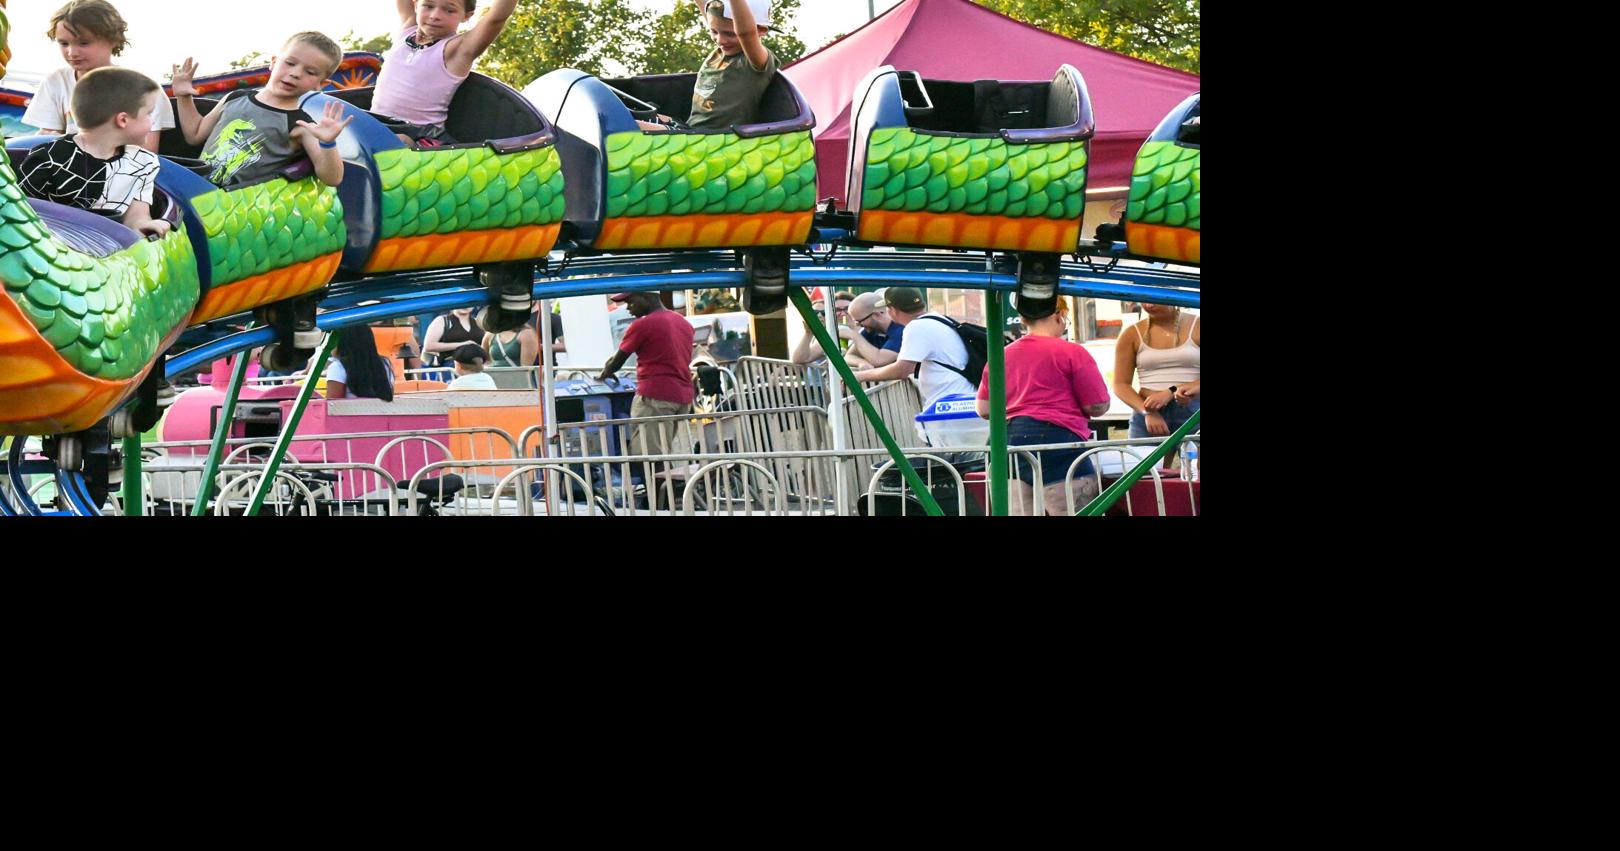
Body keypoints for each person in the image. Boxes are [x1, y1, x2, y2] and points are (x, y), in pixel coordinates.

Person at [975, 296, 1110, 516]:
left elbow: (984, 409)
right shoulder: (1072, 352)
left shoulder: (1001, 354)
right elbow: (1097, 405)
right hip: (1056, 440)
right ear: (1059, 315)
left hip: (1005, 441)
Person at [171, 32, 352, 188]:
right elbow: (194, 135)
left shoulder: (301, 125)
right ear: (273, 62)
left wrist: (328, 143)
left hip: (236, 209)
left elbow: (332, 178)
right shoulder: (235, 97)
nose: (296, 73)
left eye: (310, 72)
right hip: (196, 191)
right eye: (290, 63)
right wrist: (183, 96)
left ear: (321, 84)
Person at [18, 67, 169, 238]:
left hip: (110, 249)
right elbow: (20, 214)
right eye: (149, 113)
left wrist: (144, 224)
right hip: (52, 247)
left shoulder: (144, 162)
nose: (153, 121)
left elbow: (137, 217)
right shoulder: (48, 158)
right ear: (123, 120)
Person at [24, 1, 176, 153]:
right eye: (64, 43)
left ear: (114, 39)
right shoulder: (56, 82)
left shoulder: (143, 88)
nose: (72, 52)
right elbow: (49, 136)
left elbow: (147, 152)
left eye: (84, 43)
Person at [371, 0, 519, 145]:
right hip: (376, 123)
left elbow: (496, 18)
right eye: (428, 6)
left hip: (420, 136)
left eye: (449, 10)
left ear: (466, 15)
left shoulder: (457, 49)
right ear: (415, 4)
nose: (435, 15)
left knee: (397, 141)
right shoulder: (407, 28)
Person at [639, 1, 776, 133]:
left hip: (709, 138)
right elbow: (711, 12)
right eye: (714, 32)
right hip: (687, 127)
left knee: (625, 127)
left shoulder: (754, 61)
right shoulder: (720, 50)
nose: (720, 40)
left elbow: (746, 33)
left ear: (761, 30)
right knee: (626, 113)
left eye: (730, 34)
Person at [598, 291, 695, 456]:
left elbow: (617, 361)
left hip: (655, 397)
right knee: (663, 451)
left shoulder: (642, 325)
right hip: (682, 396)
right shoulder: (682, 322)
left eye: (630, 302)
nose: (628, 308)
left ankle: (657, 482)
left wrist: (604, 373)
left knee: (647, 456)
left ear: (646, 297)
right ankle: (668, 481)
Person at [853, 287, 974, 411]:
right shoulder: (937, 318)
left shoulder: (916, 327)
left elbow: (902, 370)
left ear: (893, 310)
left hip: (952, 404)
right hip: (961, 400)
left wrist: (860, 376)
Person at [1113, 301, 1200, 469]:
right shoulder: (1131, 333)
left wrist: (1173, 391)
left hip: (1193, 409)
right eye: (1143, 299)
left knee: (1195, 481)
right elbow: (1120, 384)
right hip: (1147, 409)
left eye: (1154, 298)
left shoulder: (1196, 325)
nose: (1148, 304)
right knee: (1144, 480)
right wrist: (1146, 412)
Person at [323, 326, 395, 400]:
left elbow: (332, 405)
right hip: (381, 411)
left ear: (342, 342)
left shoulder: (337, 367)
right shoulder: (385, 363)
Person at [790, 291, 858, 366]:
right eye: (837, 310)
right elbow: (799, 359)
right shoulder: (832, 332)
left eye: (847, 308)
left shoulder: (867, 330)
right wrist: (808, 333)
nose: (842, 313)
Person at [844, 291, 905, 369]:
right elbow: (849, 356)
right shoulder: (870, 330)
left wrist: (854, 335)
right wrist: (861, 363)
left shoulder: (900, 329)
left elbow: (879, 360)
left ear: (877, 315)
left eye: (859, 321)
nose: (857, 325)